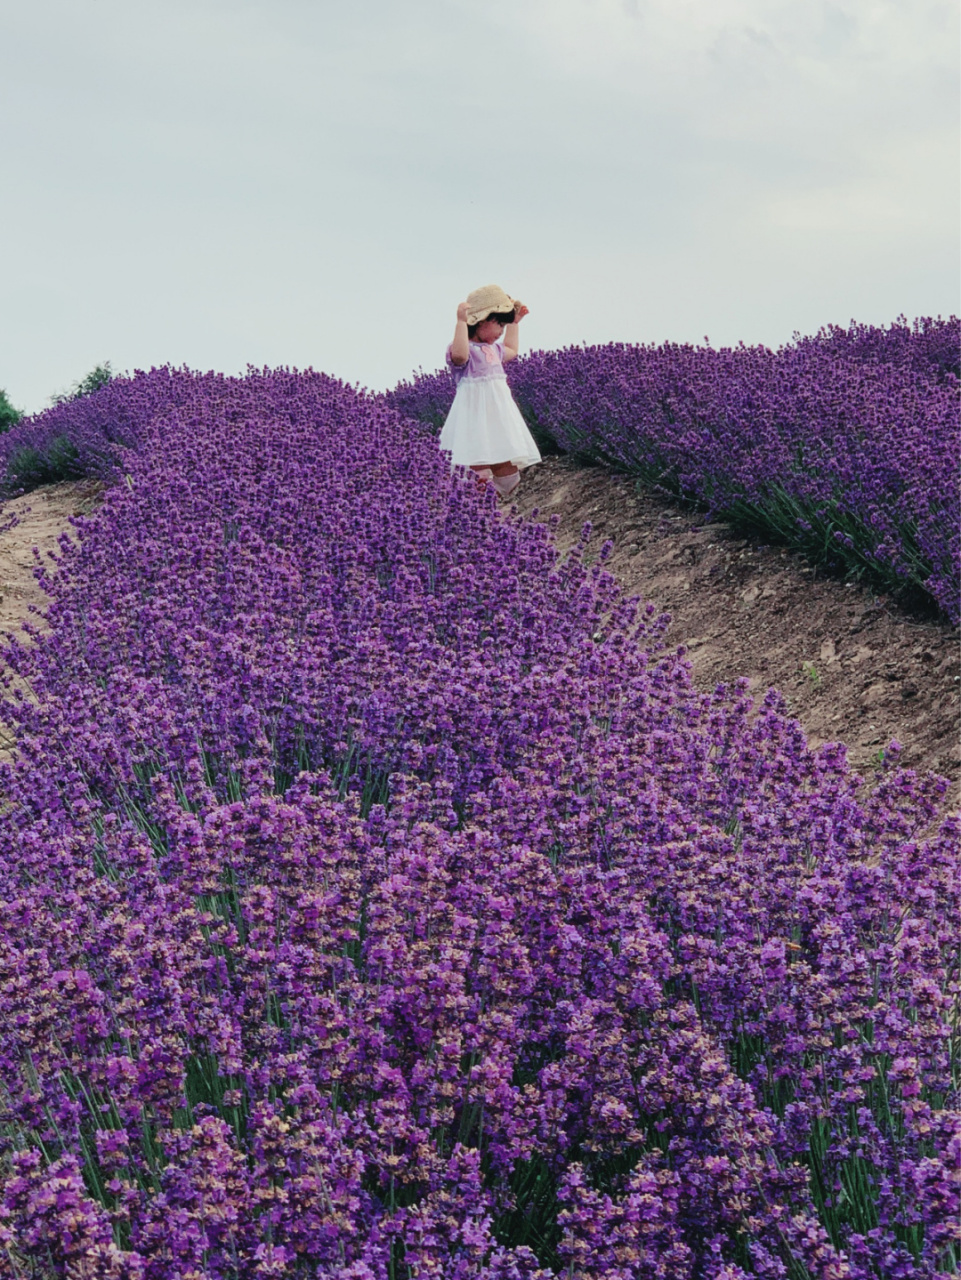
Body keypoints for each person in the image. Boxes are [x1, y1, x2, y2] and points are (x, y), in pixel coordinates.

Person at [438, 284, 541, 500]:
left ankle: (509, 498)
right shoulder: (466, 350)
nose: (501, 331)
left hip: (498, 415)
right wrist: (460, 323)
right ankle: (479, 500)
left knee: (504, 454)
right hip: (473, 415)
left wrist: (514, 324)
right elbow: (458, 356)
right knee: (477, 455)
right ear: (482, 321)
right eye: (500, 324)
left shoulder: (495, 349)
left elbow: (512, 350)